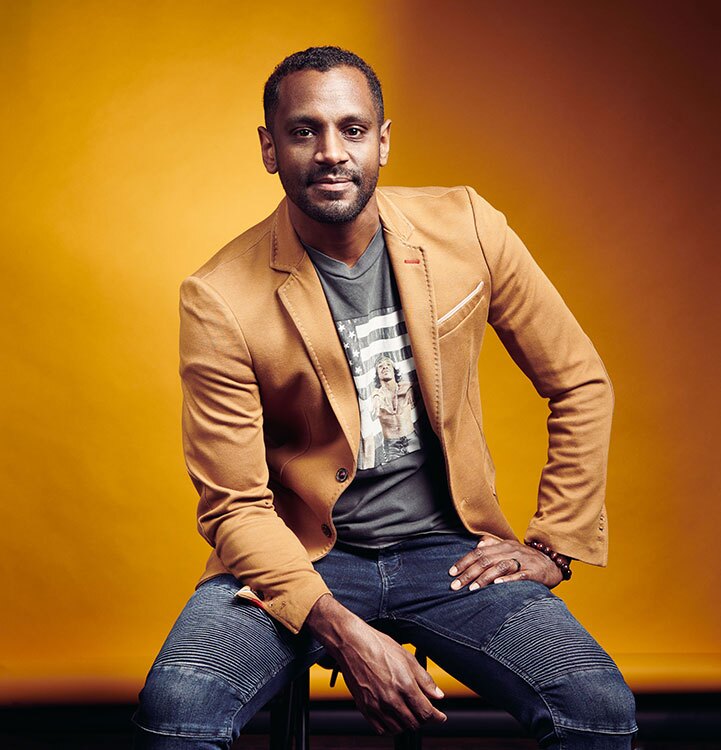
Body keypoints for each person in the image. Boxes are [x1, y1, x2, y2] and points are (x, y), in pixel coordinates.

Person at [132, 46, 637, 749]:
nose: (331, 152)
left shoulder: (468, 227)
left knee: (596, 707)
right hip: (302, 556)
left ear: (383, 140)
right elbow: (235, 506)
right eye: (304, 131)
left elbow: (577, 381)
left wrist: (554, 545)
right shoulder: (220, 297)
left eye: (352, 129)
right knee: (176, 711)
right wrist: (343, 631)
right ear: (269, 148)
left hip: (449, 553)